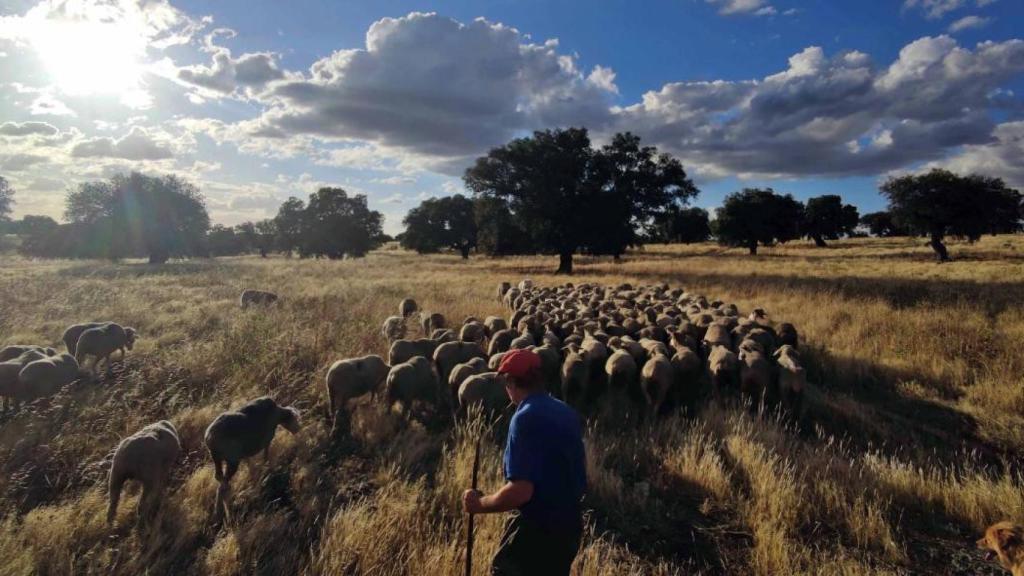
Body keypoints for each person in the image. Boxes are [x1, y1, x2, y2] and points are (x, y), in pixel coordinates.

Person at [462, 349, 587, 576]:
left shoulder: (525, 417)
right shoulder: (565, 411)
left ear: (511, 382)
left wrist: (480, 504)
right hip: (569, 527)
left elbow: (521, 491)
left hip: (536, 530)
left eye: (506, 381)